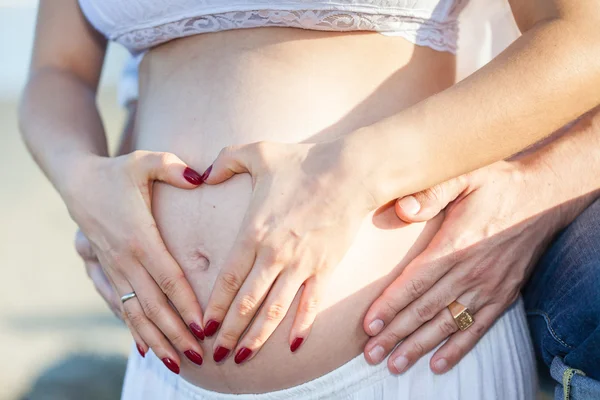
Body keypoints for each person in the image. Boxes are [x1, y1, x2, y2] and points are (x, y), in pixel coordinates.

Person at [19, 0, 600, 399]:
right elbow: (56, 69)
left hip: (403, 350)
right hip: (163, 372)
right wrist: (82, 182)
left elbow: (582, 39)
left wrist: (352, 172)